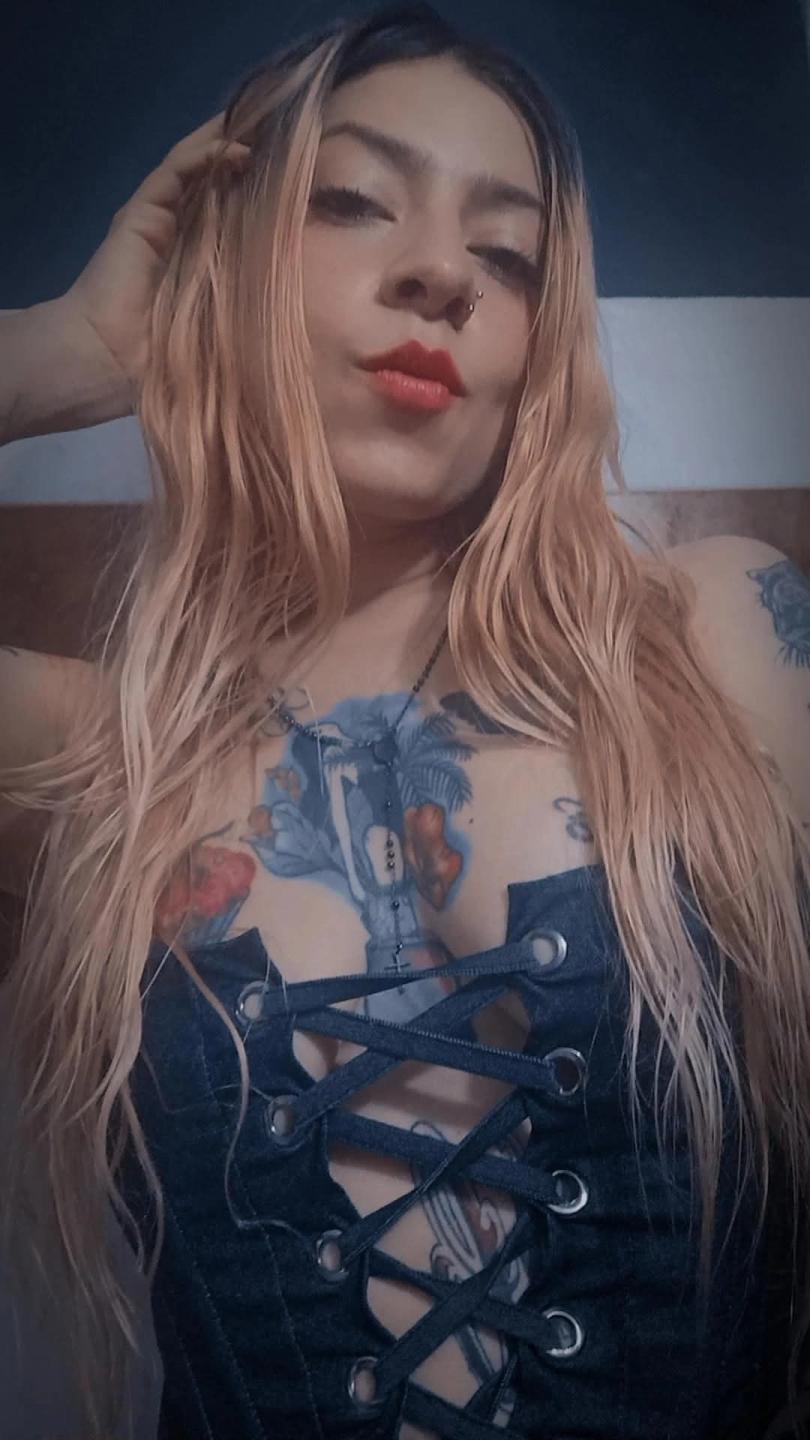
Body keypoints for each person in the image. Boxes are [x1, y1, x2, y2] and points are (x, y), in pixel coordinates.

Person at [1, 4, 809, 1437]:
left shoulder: (714, 640)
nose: (442, 272)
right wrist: (63, 351)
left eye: (509, 256)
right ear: (229, 273)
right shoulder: (95, 750)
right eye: (355, 201)